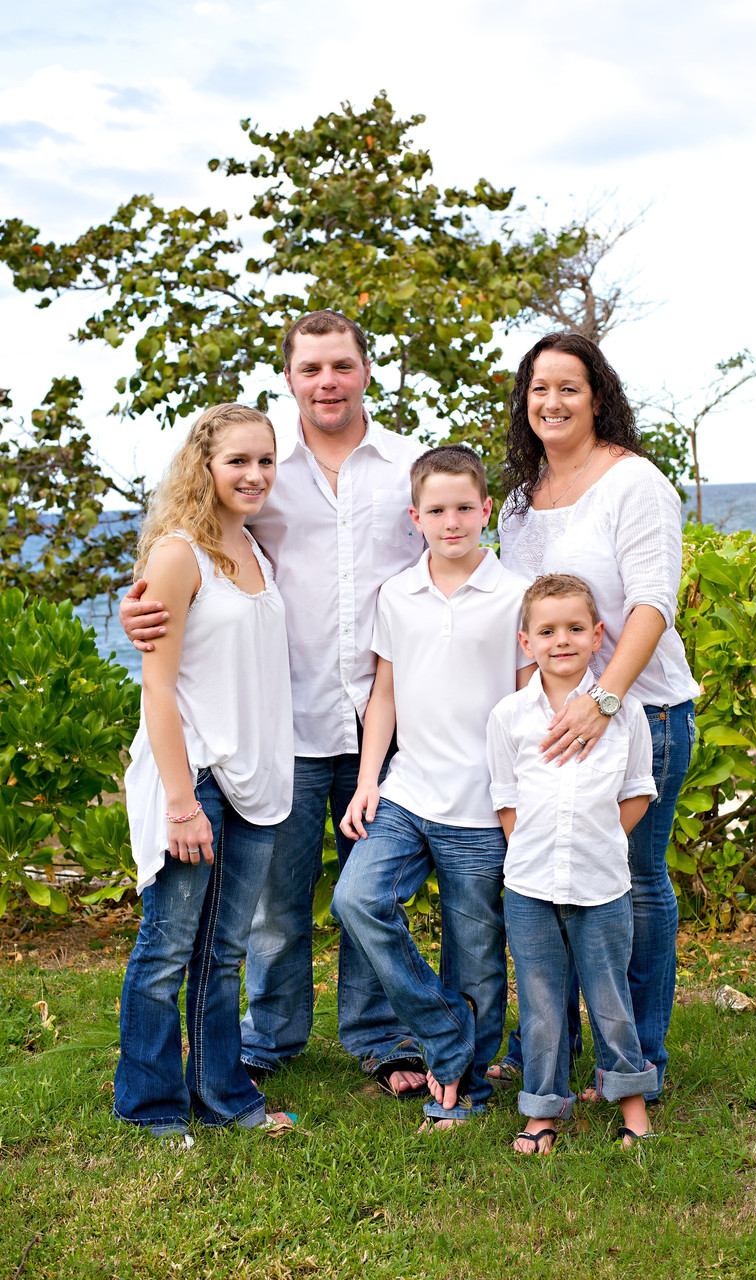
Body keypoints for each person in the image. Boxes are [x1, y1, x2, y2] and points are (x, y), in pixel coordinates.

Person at [119, 311, 429, 1098]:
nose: (328, 381)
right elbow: (192, 568)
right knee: (275, 908)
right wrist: (142, 610)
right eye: (311, 368)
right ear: (290, 377)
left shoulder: (409, 468)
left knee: (369, 896)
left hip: (384, 719)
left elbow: (450, 564)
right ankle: (272, 1035)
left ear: (367, 369)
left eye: (343, 366)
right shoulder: (261, 466)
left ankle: (376, 1036)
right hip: (279, 725)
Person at [491, 333, 700, 1102]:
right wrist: (531, 717)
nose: (551, 401)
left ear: (598, 395)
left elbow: (652, 603)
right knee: (547, 878)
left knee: (632, 884)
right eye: (538, 388)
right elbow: (526, 618)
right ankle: (549, 1046)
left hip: (639, 711)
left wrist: (603, 700)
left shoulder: (635, 484)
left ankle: (637, 1063)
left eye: (569, 387)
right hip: (548, 724)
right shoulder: (519, 503)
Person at [332, 445, 534, 1128]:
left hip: (481, 808)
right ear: (415, 516)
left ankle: (468, 1088)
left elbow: (525, 701)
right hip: (408, 793)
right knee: (356, 900)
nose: (452, 522)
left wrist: (520, 799)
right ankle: (444, 1031)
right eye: (437, 510)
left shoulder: (514, 597)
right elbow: (383, 694)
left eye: (464, 508)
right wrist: (367, 782)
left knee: (475, 954)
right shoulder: (398, 593)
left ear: (487, 510)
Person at [114, 403, 294, 1140]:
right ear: (205, 466)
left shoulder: (256, 550)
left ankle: (225, 1096)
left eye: (265, 461)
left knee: (223, 952)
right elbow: (159, 688)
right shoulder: (177, 553)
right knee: (166, 948)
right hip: (193, 778)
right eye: (238, 462)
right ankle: (151, 1105)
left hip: (254, 779)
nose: (254, 475)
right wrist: (183, 804)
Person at [487, 575, 658, 1153]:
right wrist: (531, 845)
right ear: (525, 641)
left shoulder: (625, 712)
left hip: (602, 881)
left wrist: (601, 838)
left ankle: (632, 1099)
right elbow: (505, 798)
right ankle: (542, 1110)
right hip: (530, 883)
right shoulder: (509, 717)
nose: (562, 640)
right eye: (547, 630)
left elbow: (637, 790)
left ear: (597, 635)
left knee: (609, 996)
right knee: (539, 1000)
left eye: (575, 628)